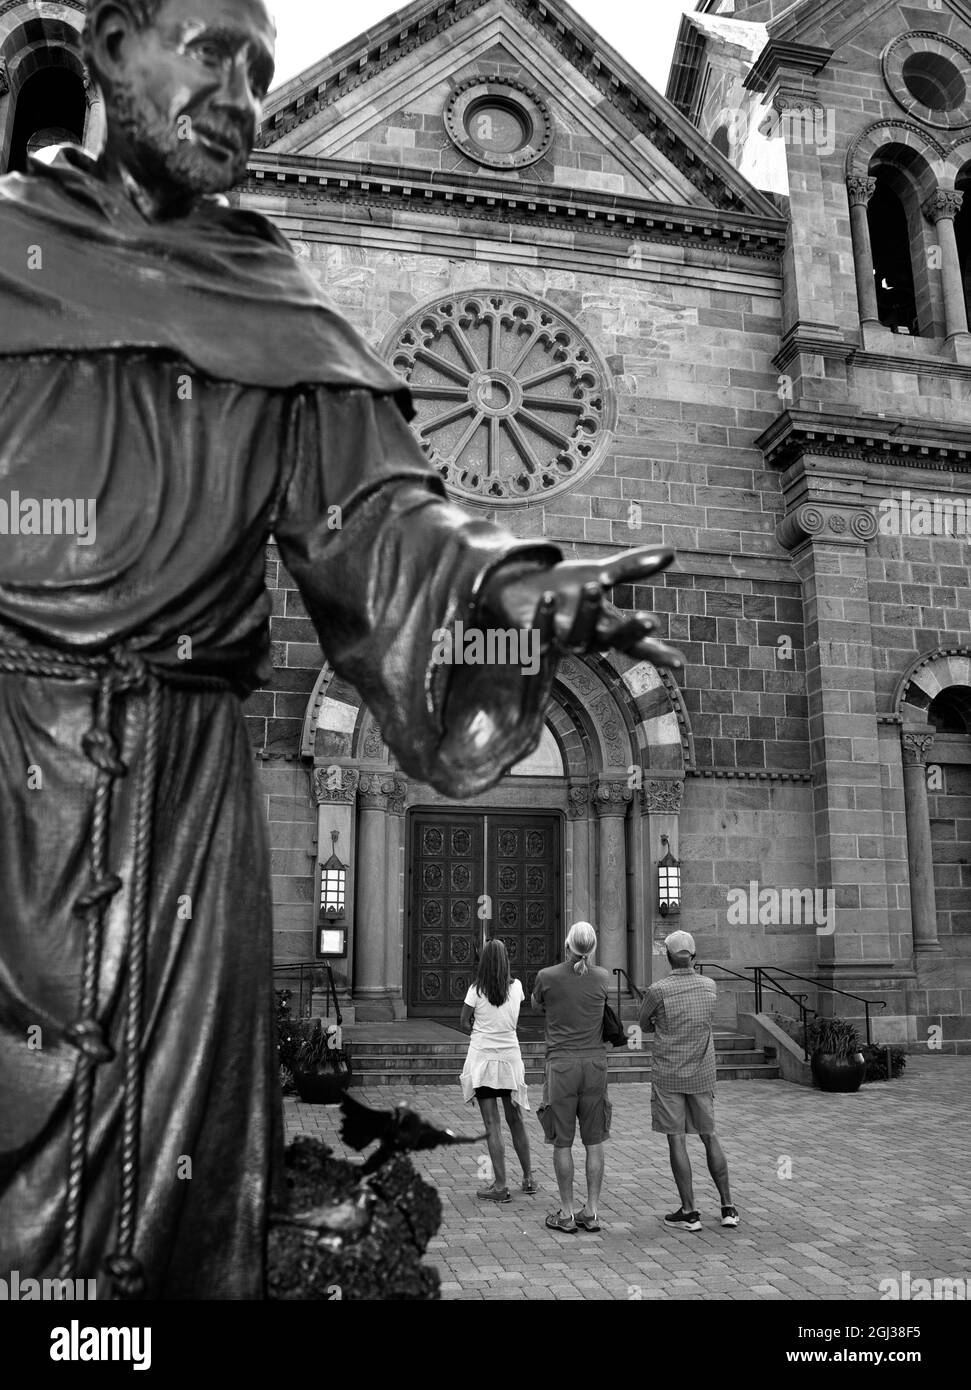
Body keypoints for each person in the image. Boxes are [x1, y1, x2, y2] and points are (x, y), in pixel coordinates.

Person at [0, 0, 681, 1299]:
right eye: (210, 49)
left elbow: (379, 523)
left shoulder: (267, 288)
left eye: (259, 67)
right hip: (10, 769)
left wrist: (515, 601)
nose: (241, 89)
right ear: (103, 52)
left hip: (184, 811)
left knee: (166, 1188)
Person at [638, 930, 739, 1232]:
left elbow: (643, 1022)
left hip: (669, 1072)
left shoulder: (658, 990)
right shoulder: (710, 985)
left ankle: (690, 1211)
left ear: (668, 957)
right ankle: (728, 1207)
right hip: (702, 1071)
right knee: (710, 1135)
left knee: (677, 1138)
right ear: (693, 956)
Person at [530, 921, 610, 1233]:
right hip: (594, 1065)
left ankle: (566, 1212)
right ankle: (591, 1210)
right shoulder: (603, 977)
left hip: (561, 1065)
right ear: (592, 949)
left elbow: (537, 1004)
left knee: (562, 1142)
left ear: (567, 945)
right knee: (594, 1141)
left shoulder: (547, 976)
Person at [459, 938, 533, 1203]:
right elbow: (514, 1014)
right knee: (517, 1121)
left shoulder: (476, 990)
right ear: (505, 961)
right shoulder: (518, 988)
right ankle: (528, 1178)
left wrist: (479, 1031)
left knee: (492, 1125)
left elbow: (464, 1020)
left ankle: (500, 1186)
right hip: (510, 1059)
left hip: (484, 1060)